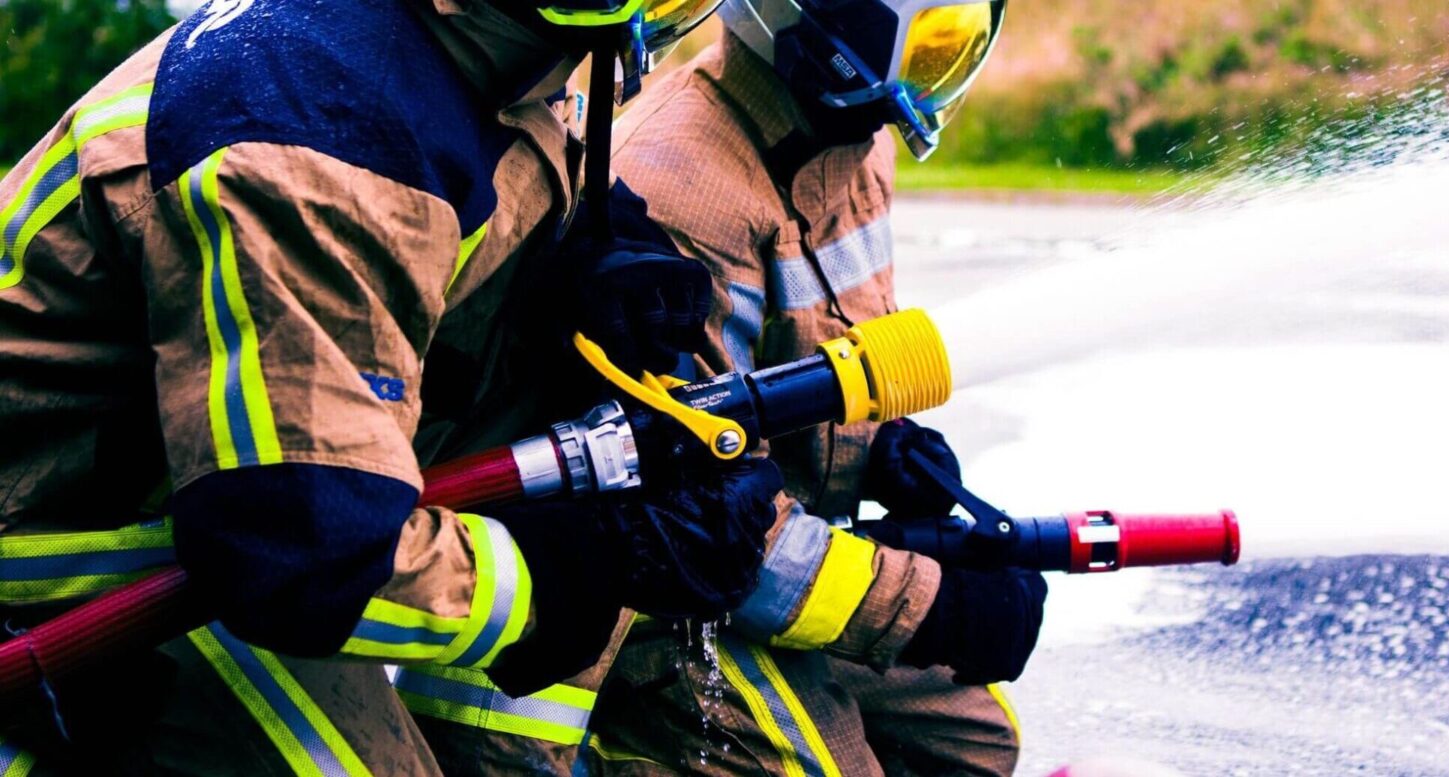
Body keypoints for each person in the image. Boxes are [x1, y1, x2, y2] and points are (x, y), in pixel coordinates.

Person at [0, 0, 780, 773]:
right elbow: (303, 549)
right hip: (62, 539)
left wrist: (579, 259)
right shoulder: (319, 128)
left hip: (180, 490)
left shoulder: (466, 48)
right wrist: (569, 572)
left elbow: (471, 183)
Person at [412, 1, 1047, 774]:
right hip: (667, 604)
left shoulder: (855, 145)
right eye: (925, 48)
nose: (934, 80)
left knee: (979, 739)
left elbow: (823, 354)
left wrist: (878, 449)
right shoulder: (682, 184)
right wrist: (925, 607)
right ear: (823, 35)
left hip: (773, 549)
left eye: (955, 47)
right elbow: (709, 517)